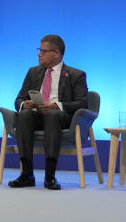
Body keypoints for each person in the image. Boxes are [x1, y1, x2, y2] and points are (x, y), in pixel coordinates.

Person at [8, 34, 87, 190]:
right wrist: (26, 104)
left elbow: (82, 103)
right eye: (39, 50)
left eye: (43, 51)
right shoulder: (33, 72)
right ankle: (27, 174)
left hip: (61, 118)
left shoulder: (76, 75)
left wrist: (56, 105)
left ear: (56, 53)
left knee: (52, 114)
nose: (39, 54)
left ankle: (50, 176)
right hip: (36, 116)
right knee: (24, 114)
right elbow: (18, 100)